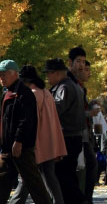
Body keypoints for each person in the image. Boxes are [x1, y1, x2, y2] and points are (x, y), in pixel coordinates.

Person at [9, 66, 66, 204]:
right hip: (50, 142)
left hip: (37, 142)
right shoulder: (46, 93)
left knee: (27, 177)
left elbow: (30, 120)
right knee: (48, 178)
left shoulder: (32, 94)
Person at [0, 60, 52, 204]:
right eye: (0, 75)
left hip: (21, 148)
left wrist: (19, 140)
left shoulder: (23, 93)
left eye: (4, 74)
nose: (1, 78)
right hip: (6, 148)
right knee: (2, 180)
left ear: (15, 74)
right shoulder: (7, 93)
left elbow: (26, 120)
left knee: (34, 183)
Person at [44, 58, 88, 204]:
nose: (47, 78)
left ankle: (80, 201)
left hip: (67, 137)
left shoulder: (64, 88)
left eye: (48, 74)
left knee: (63, 177)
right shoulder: (72, 86)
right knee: (69, 175)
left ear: (56, 73)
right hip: (73, 136)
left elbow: (56, 109)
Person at [69, 48, 100, 204]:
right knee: (83, 167)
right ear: (71, 63)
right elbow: (73, 111)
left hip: (82, 133)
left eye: (85, 65)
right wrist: (90, 113)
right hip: (76, 133)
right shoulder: (70, 85)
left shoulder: (79, 87)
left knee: (86, 166)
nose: (85, 70)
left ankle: (84, 198)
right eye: (80, 63)